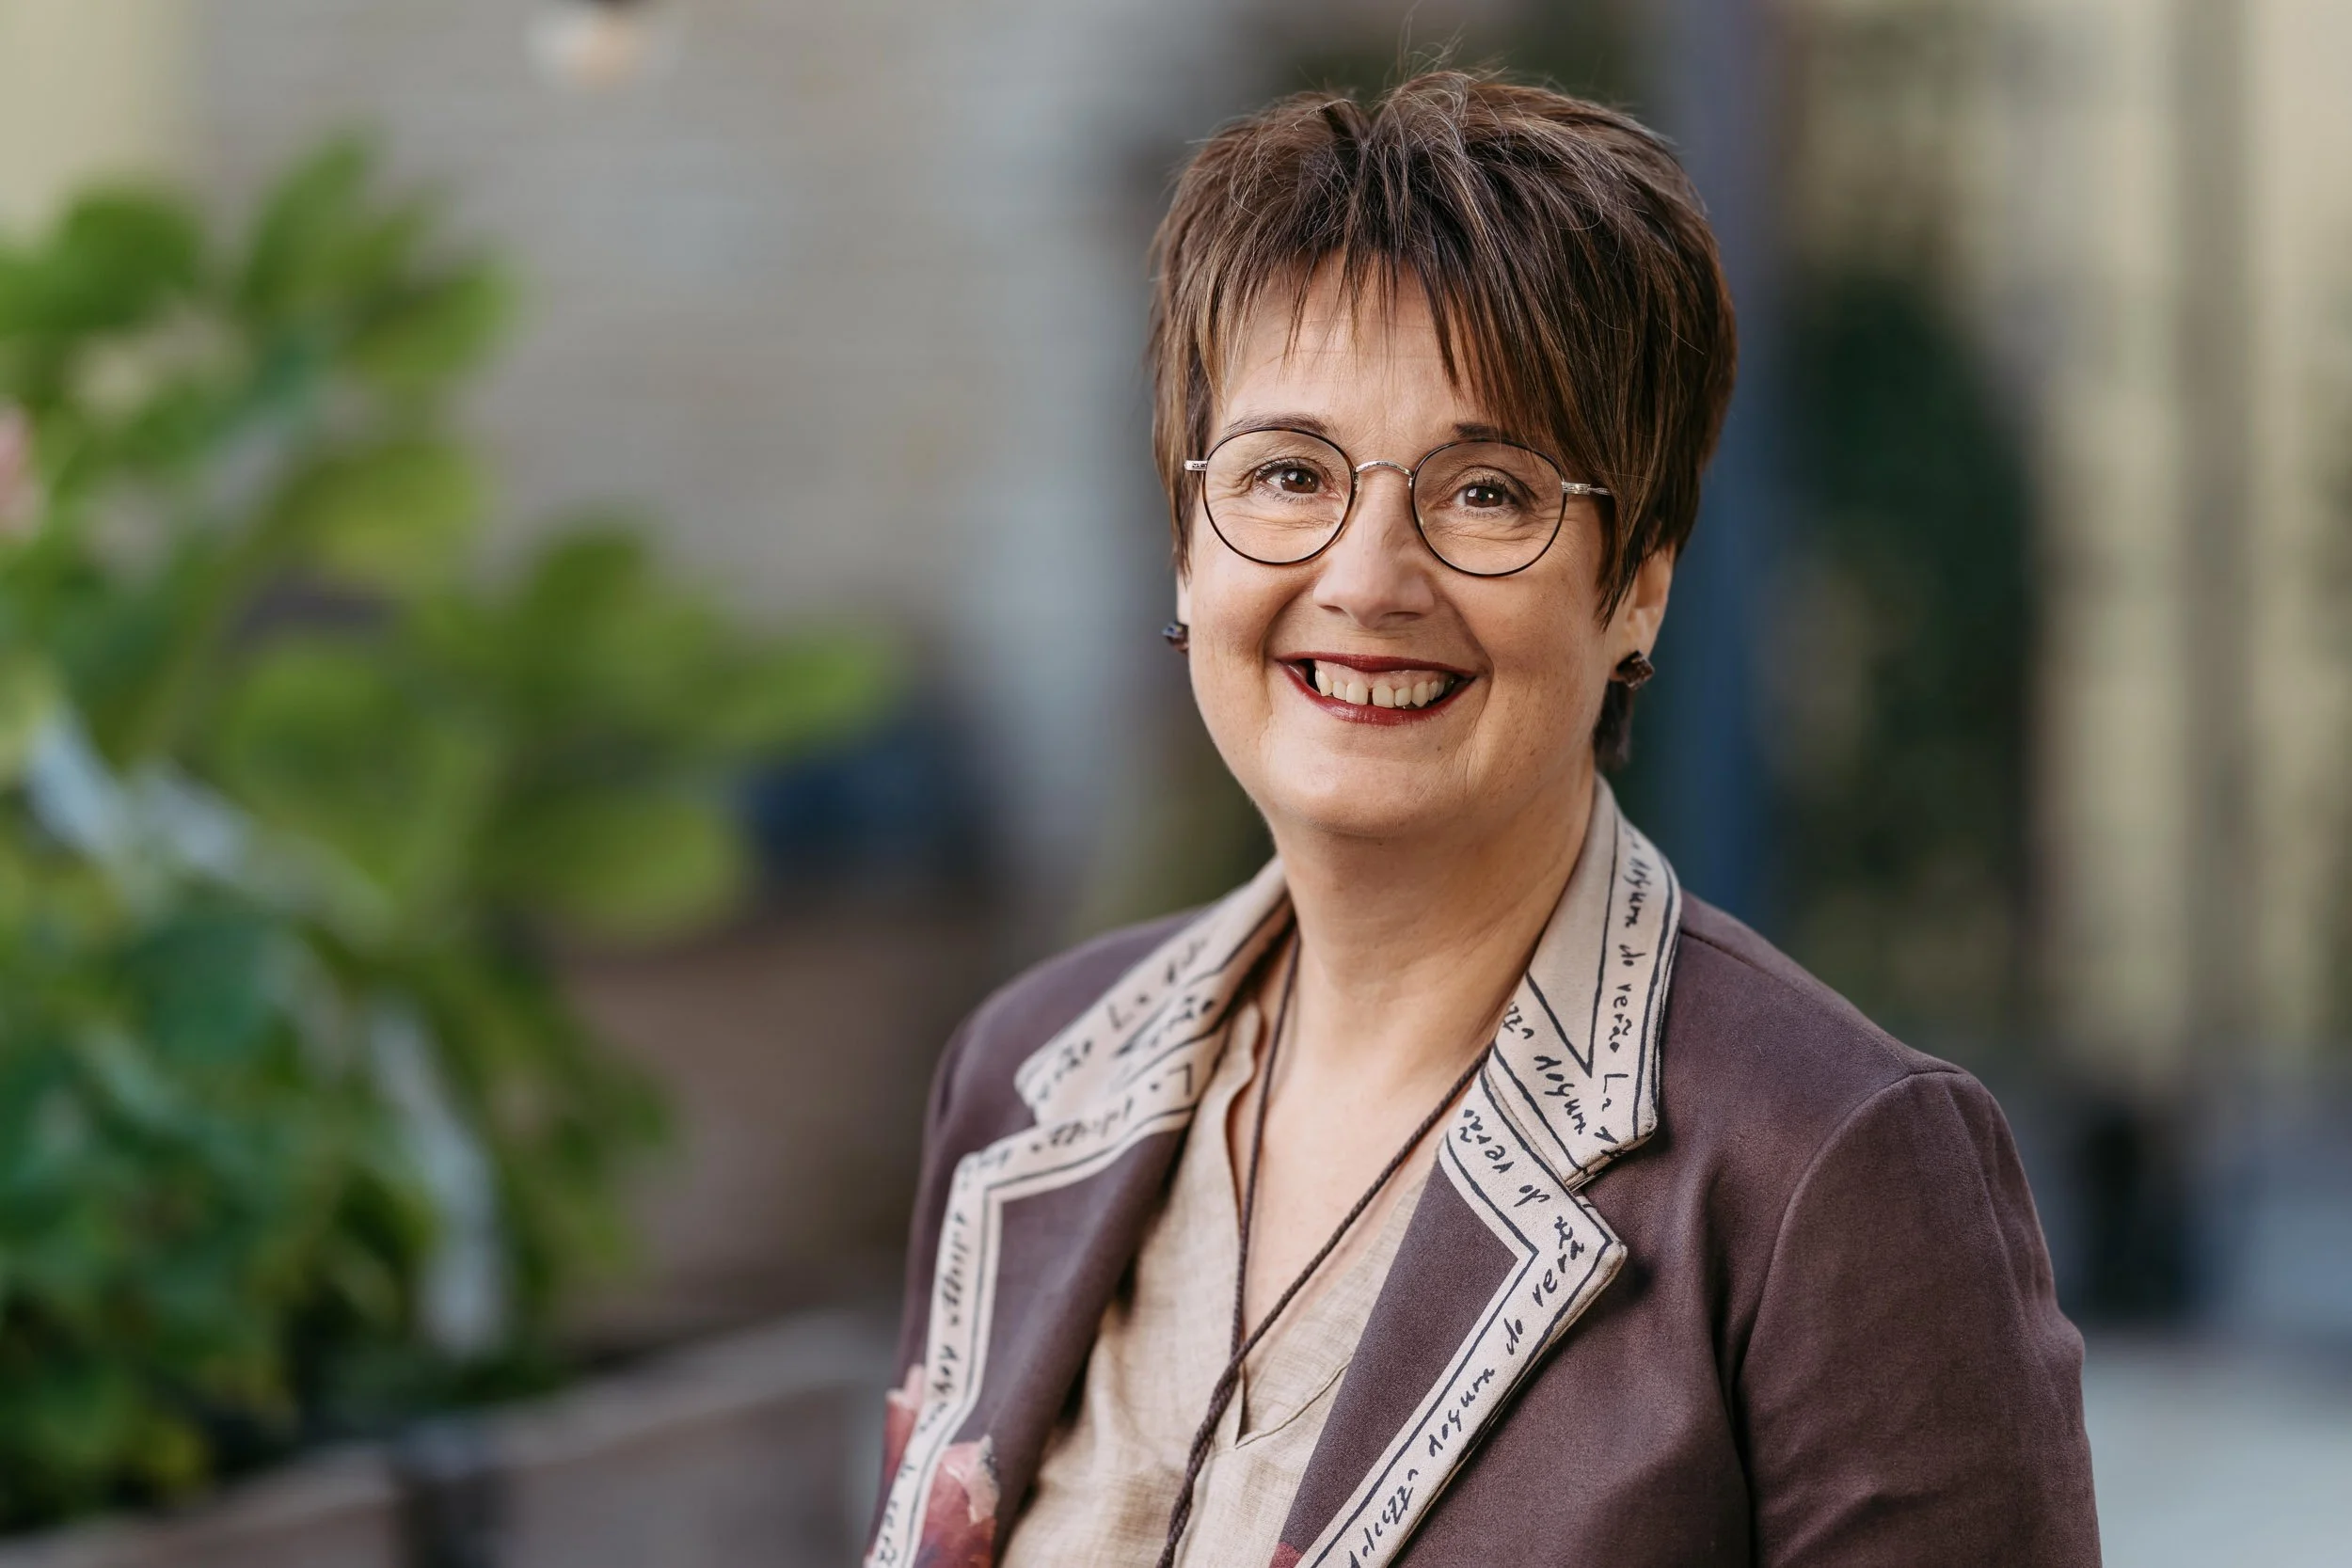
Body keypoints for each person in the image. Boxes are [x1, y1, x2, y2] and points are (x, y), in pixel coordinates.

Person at [865, 71, 2099, 1568]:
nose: (1369, 577)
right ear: (1186, 551)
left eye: (1487, 492)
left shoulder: (1830, 1166)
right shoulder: (1029, 1080)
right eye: (1286, 473)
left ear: (1637, 581)